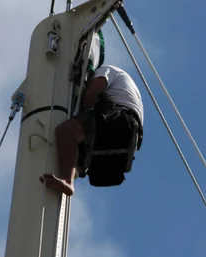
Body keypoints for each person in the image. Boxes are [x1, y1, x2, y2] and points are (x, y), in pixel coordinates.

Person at [40, 65, 144, 196]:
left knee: (66, 131)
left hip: (120, 119)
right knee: (79, 151)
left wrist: (80, 116)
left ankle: (68, 180)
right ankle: (72, 175)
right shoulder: (126, 85)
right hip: (128, 139)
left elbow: (92, 91)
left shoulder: (107, 70)